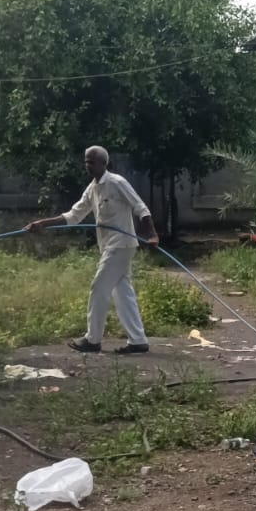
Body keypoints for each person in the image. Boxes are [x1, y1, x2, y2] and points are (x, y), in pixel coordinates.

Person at [25, 145, 158, 354]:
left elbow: (140, 207)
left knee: (98, 288)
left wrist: (152, 234)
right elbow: (74, 215)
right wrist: (43, 223)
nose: (88, 165)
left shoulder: (117, 182)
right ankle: (138, 341)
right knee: (123, 293)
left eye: (92, 162)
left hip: (120, 244)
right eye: (86, 161)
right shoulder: (93, 188)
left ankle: (93, 340)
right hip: (109, 246)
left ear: (104, 163)